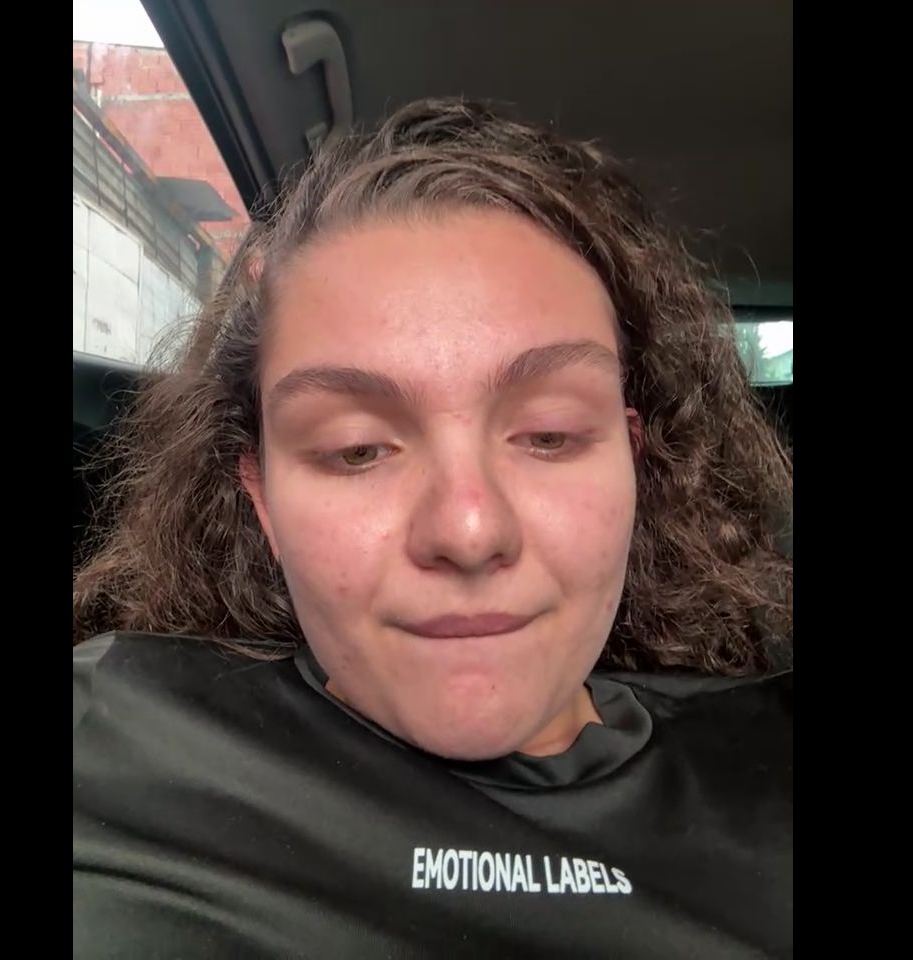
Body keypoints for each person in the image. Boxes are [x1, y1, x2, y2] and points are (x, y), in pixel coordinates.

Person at [73, 98, 792, 959]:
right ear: (260, 497)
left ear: (634, 465)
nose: (469, 527)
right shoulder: (105, 739)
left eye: (550, 436)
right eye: (356, 450)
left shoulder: (769, 763)